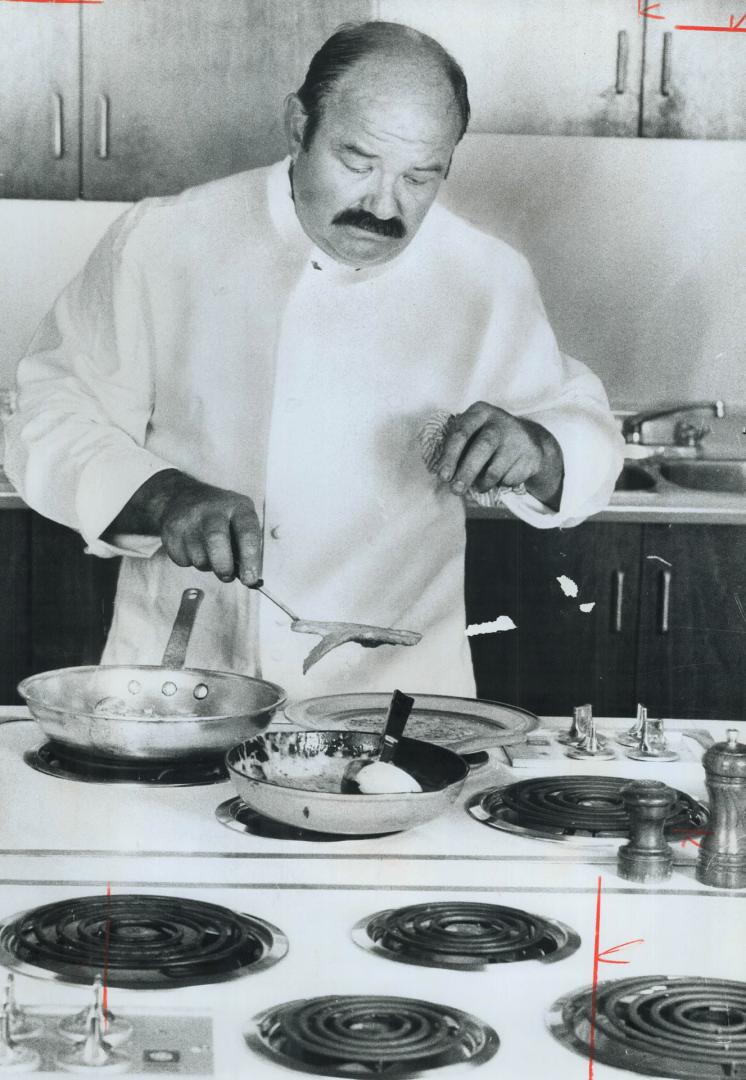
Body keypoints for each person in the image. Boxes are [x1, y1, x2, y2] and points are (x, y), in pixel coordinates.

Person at [5, 21, 624, 701]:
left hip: (394, 695)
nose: (384, 206)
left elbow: (583, 431)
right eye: (357, 161)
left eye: (421, 177)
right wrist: (163, 497)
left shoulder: (485, 276)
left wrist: (537, 448)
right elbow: (49, 409)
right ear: (298, 125)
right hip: (185, 682)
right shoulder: (165, 239)